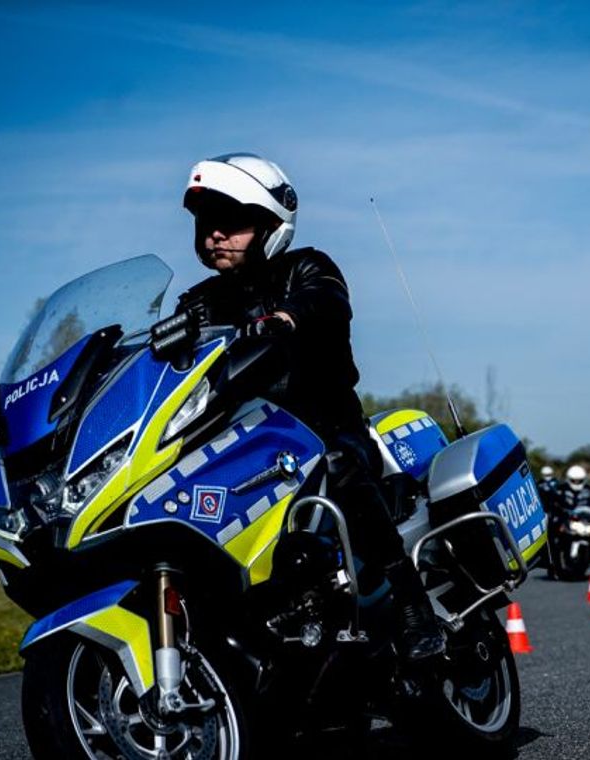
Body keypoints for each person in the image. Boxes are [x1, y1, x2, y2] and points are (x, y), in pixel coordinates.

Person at [174, 152, 443, 660]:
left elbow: (328, 301)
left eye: (230, 223)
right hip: (245, 447)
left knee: (337, 462)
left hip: (325, 432)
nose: (214, 235)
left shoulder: (307, 268)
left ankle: (411, 602)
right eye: (207, 223)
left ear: (271, 225)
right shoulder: (198, 302)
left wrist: (287, 317)